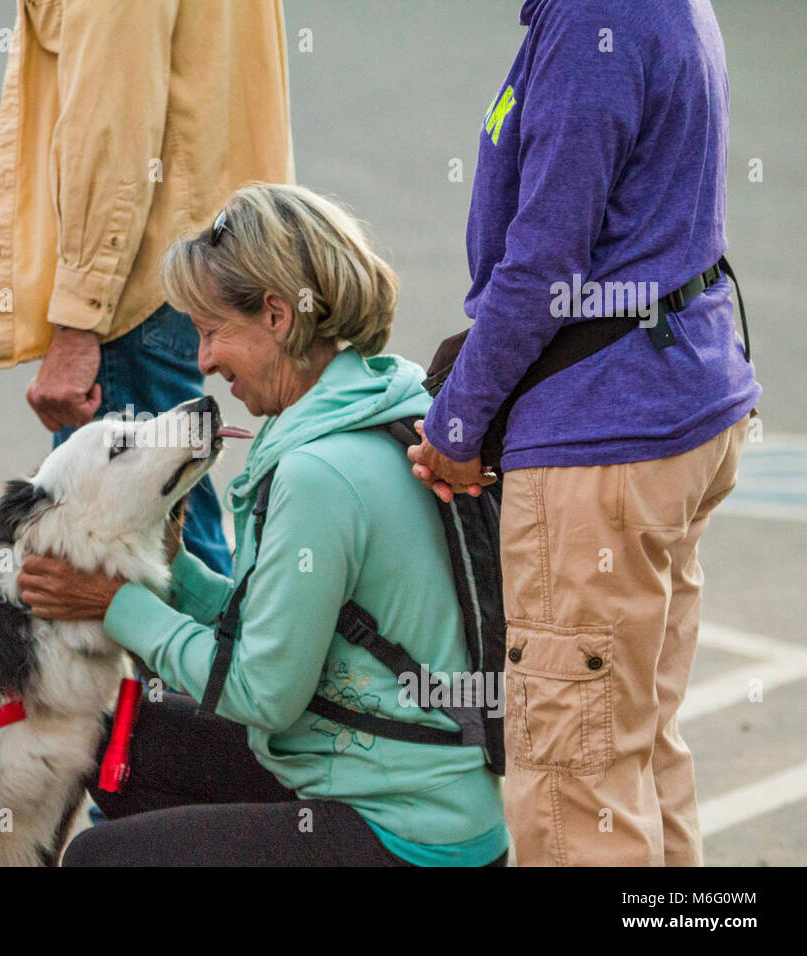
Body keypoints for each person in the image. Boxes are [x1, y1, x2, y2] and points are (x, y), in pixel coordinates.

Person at [18, 184, 510, 866]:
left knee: (98, 860)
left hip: (408, 833)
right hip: (423, 792)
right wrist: (177, 575)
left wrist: (116, 605)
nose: (203, 362)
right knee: (131, 737)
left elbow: (264, 692)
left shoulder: (318, 475)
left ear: (278, 316)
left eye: (212, 331)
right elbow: (292, 632)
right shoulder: (377, 404)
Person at [407, 0, 760, 865]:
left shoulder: (591, 22)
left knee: (576, 789)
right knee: (634, 747)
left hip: (605, 436)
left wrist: (457, 423)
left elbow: (544, 263)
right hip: (675, 405)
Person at [0, 0, 294, 575]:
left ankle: (228, 665)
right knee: (176, 533)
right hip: (192, 252)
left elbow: (113, 122)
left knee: (134, 558)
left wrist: (82, 317)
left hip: (136, 283)